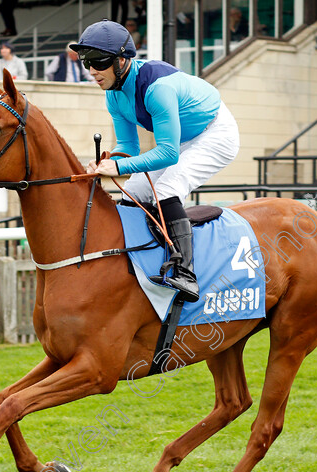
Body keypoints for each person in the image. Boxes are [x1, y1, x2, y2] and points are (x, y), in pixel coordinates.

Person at [73, 19, 240, 302]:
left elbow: (168, 154)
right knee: (136, 191)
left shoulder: (157, 88)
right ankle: (135, 260)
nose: (92, 70)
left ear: (123, 60)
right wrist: (106, 160)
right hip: (181, 138)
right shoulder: (113, 95)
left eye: (98, 61)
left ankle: (185, 272)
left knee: (166, 189)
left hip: (216, 133)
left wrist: (119, 167)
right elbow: (128, 146)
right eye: (85, 61)